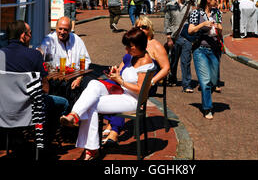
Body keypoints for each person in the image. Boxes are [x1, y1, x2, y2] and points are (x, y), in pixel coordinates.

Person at [60, 27, 156, 161]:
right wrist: (116, 72)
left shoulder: (145, 61)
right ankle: (74, 115)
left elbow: (140, 89)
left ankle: (91, 150)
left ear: (137, 46)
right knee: (93, 83)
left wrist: (120, 81)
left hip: (132, 100)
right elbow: (123, 72)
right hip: (121, 92)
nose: (126, 50)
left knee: (91, 105)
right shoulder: (132, 57)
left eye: (129, 47)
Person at [101, 16, 170, 146]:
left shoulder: (155, 45)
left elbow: (166, 68)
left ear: (150, 29)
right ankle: (110, 123)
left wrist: (151, 82)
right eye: (138, 27)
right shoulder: (132, 44)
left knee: (119, 93)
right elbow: (124, 64)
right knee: (103, 87)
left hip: (145, 83)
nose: (141, 29)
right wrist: (116, 72)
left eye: (144, 27)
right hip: (126, 80)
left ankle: (114, 131)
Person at [0, 20, 69, 144]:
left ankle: (14, 137)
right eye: (29, 33)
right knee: (63, 103)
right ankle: (46, 142)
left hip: (3, 110)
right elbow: (45, 88)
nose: (31, 36)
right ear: (23, 36)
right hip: (29, 111)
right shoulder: (35, 55)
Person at [39, 17, 91, 105]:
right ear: (56, 28)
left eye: (65, 30)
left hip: (77, 75)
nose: (62, 32)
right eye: (60, 29)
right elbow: (41, 54)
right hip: (57, 78)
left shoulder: (77, 39)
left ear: (70, 30)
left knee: (90, 83)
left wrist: (79, 77)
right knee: (66, 88)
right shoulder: (49, 40)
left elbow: (85, 59)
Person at [187, 0, 223, 120]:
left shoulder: (217, 12)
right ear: (208, 0)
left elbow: (220, 27)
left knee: (214, 81)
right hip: (200, 50)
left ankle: (207, 96)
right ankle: (207, 108)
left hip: (214, 49)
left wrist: (217, 27)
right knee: (205, 81)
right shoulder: (196, 13)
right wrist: (203, 24)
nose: (216, 1)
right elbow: (190, 30)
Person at [164, 0, 194, 92]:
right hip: (173, 36)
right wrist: (168, 36)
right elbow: (167, 21)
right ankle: (172, 78)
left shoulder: (190, 7)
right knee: (173, 60)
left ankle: (187, 84)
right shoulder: (170, 5)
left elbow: (192, 22)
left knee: (186, 61)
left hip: (186, 37)